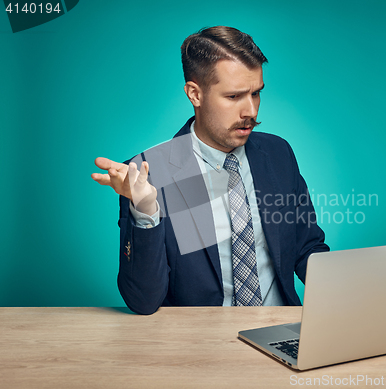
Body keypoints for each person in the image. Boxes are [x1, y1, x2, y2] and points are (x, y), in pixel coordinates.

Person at [92, 26, 329, 314]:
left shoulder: (278, 154)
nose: (251, 111)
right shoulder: (153, 173)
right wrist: (146, 209)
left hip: (279, 330)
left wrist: (351, 292)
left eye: (256, 94)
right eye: (233, 97)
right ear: (195, 94)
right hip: (200, 344)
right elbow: (144, 301)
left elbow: (306, 248)